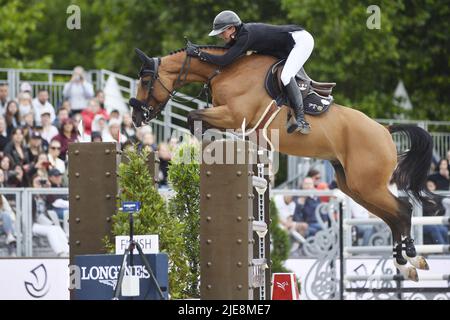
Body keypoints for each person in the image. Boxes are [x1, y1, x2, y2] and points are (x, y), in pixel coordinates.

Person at [186, 10, 314, 134]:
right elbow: (223, 51)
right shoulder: (240, 36)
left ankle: (302, 120)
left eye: (221, 32)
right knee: (285, 76)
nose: (220, 36)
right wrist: (198, 49)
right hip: (288, 46)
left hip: (301, 41)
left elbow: (224, 60)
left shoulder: (245, 36)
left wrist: (199, 54)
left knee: (286, 76)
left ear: (231, 28)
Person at [30, 175, 69, 257]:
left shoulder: (43, 195)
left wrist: (48, 186)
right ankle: (60, 253)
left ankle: (67, 251)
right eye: (37, 182)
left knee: (57, 228)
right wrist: (35, 190)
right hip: (31, 224)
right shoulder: (29, 195)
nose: (39, 184)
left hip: (43, 222)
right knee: (51, 230)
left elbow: (53, 200)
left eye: (40, 182)